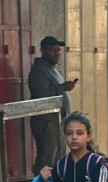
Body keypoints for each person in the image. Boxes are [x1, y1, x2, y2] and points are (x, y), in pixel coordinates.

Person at [28, 36, 77, 174]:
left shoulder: (51, 69)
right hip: (46, 121)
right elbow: (41, 94)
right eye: (52, 50)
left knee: (58, 158)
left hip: (57, 121)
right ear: (43, 50)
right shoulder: (38, 70)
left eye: (58, 50)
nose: (56, 53)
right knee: (47, 157)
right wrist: (62, 88)